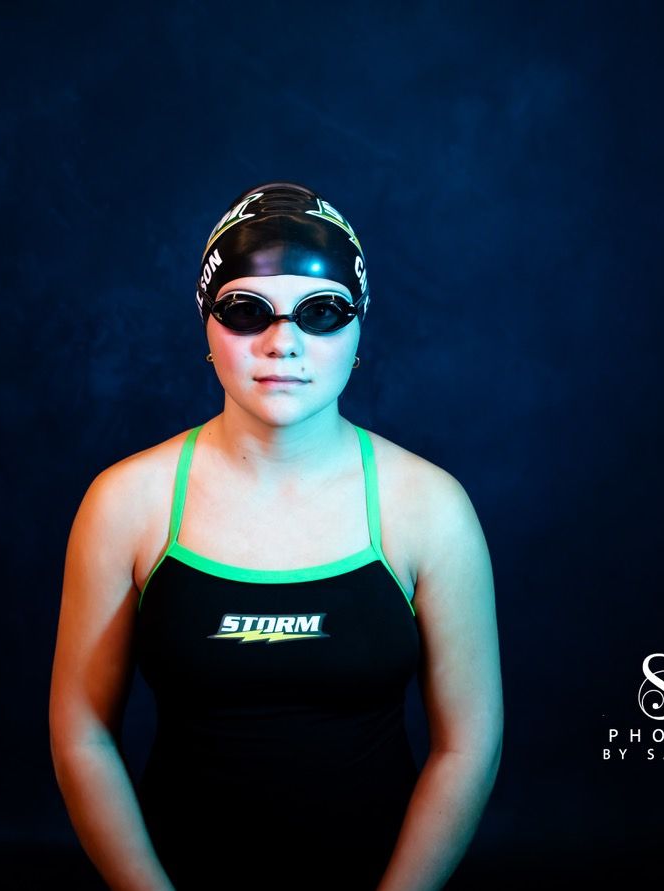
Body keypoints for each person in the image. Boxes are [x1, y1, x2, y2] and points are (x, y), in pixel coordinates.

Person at [50, 181, 503, 891]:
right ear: (205, 322)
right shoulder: (127, 504)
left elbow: (469, 744)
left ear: (359, 329)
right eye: (245, 309)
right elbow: (82, 733)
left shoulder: (430, 508)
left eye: (322, 312)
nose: (282, 342)